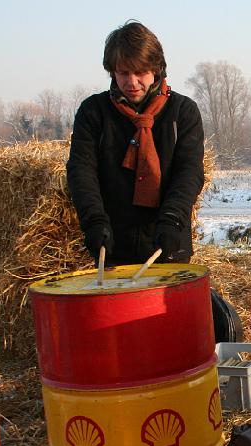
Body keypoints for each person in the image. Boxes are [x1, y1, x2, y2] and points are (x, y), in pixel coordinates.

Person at [67, 20, 204, 266]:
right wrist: (94, 221)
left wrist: (172, 219)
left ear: (156, 69)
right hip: (112, 245)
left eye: (140, 72)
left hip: (168, 242)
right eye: (123, 73)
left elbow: (189, 171)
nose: (131, 82)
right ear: (112, 71)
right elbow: (81, 171)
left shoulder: (183, 111)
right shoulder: (93, 112)